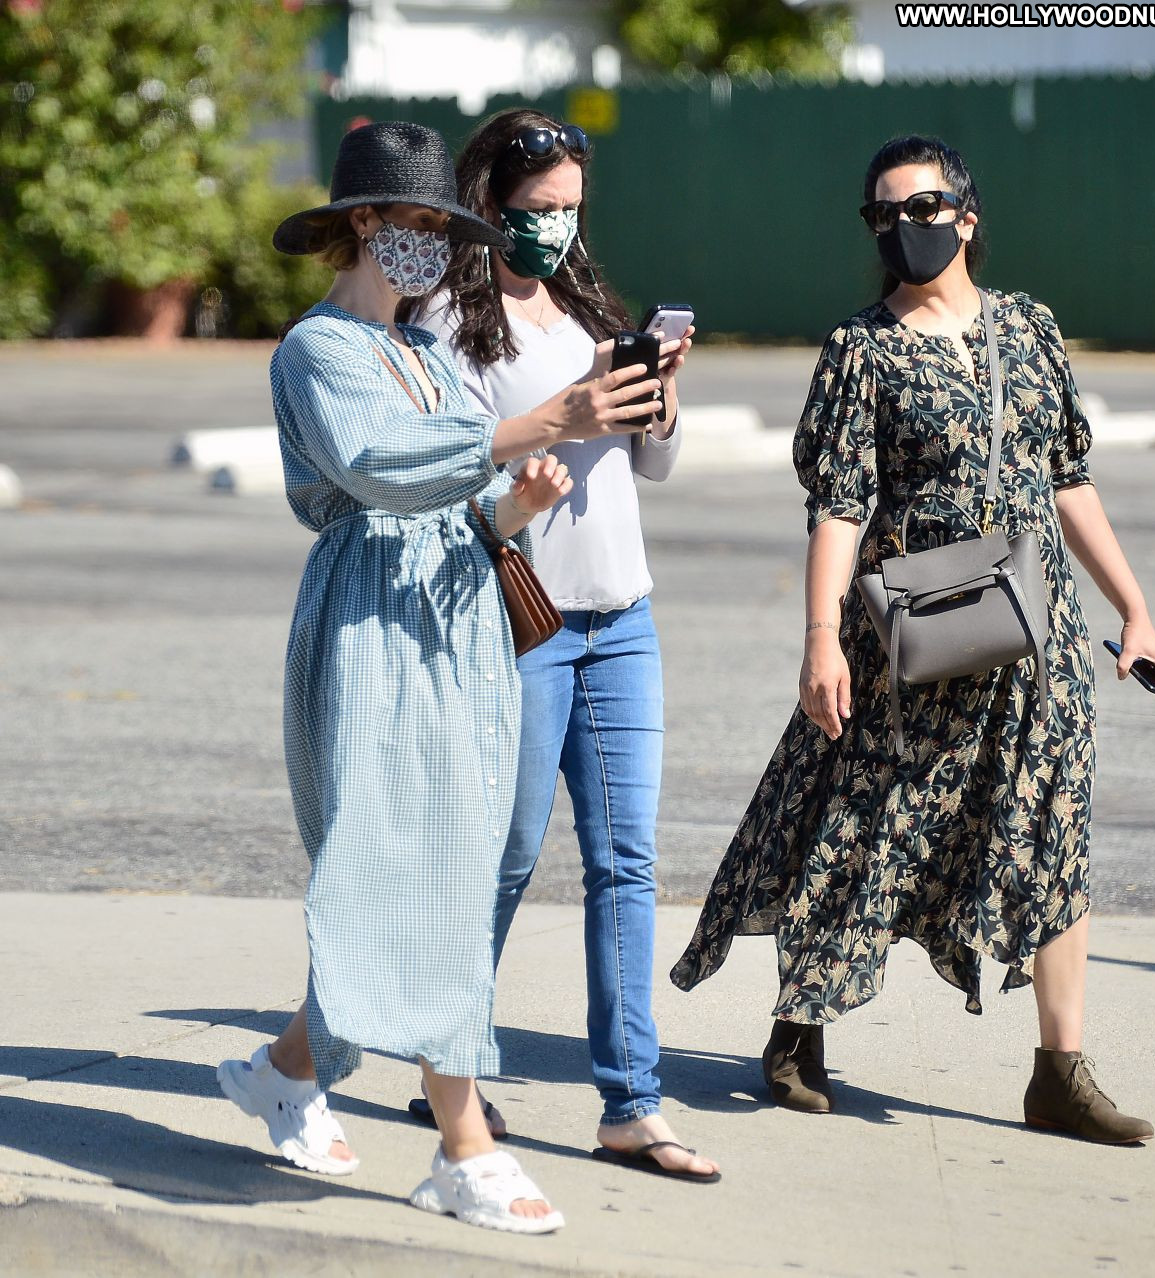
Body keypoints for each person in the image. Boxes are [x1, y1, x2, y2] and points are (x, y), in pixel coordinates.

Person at [671, 135, 1155, 1145]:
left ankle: (1058, 1073)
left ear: (966, 216)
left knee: (1052, 827)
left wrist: (1135, 610)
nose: (903, 226)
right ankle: (798, 1026)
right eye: (883, 213)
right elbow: (838, 507)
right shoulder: (859, 350)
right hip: (912, 633)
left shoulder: (1029, 329)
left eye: (922, 206)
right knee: (861, 820)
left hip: (1037, 638)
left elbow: (1067, 481)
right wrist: (820, 638)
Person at [214, 120, 663, 1234]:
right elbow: (379, 467)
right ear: (364, 223)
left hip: (458, 619)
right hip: (372, 622)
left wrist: (513, 507)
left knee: (438, 872)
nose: (433, 245)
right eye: (417, 223)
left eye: (442, 227)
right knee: (401, 868)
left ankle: (285, 1072)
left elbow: (457, 498)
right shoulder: (316, 350)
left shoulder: (420, 354)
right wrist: (542, 421)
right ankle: (464, 1147)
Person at [404, 107, 720, 1183]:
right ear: (487, 202)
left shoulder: (589, 306)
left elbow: (652, 468)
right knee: (501, 858)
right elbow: (445, 467)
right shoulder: (445, 320)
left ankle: (632, 1104)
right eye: (536, 209)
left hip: (622, 619)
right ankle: (447, 1066)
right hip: (521, 622)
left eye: (571, 209)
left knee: (625, 863)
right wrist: (563, 415)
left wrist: (658, 400)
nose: (555, 228)